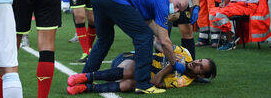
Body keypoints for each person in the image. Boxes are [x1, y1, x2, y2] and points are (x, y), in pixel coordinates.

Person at [83, 0, 188, 94]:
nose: (175, 11)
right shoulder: (163, 0)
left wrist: (169, 53)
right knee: (144, 37)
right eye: (177, 6)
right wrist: (174, 63)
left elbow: (157, 35)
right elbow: (164, 40)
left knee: (104, 40)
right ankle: (143, 84)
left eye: (179, 11)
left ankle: (84, 78)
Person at [67, 46, 216, 94]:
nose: (196, 63)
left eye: (200, 67)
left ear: (200, 74)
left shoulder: (183, 81)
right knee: (132, 70)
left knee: (130, 85)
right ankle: (86, 76)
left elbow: (153, 82)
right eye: (199, 60)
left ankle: (85, 88)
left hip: (138, 75)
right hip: (128, 60)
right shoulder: (185, 53)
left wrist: (170, 66)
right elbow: (159, 42)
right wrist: (171, 54)